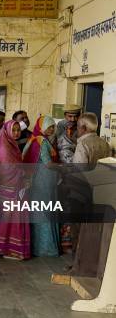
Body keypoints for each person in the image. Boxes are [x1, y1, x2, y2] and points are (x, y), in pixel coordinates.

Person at [68, 113, 112, 278]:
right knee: (94, 230)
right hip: (100, 194)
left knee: (78, 229)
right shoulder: (104, 144)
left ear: (83, 128)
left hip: (81, 194)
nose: (77, 130)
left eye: (78, 127)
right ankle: (93, 265)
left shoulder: (83, 145)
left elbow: (79, 173)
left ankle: (78, 265)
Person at [0, 120, 31, 260]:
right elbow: (7, 170)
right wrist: (22, 175)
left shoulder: (10, 143)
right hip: (10, 187)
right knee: (10, 219)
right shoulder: (4, 146)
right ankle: (8, 250)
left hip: (14, 187)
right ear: (7, 130)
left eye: (18, 130)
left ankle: (8, 249)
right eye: (13, 130)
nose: (16, 133)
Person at [23, 115, 60, 257]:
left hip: (38, 179)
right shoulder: (42, 141)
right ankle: (46, 248)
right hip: (43, 180)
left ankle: (37, 246)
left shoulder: (33, 139)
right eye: (49, 127)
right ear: (43, 127)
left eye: (53, 126)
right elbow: (48, 163)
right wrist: (63, 167)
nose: (52, 129)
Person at [56, 104, 81, 252]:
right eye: (70, 116)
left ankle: (73, 242)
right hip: (61, 174)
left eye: (75, 116)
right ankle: (62, 242)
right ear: (65, 115)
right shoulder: (59, 127)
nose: (73, 119)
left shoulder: (82, 128)